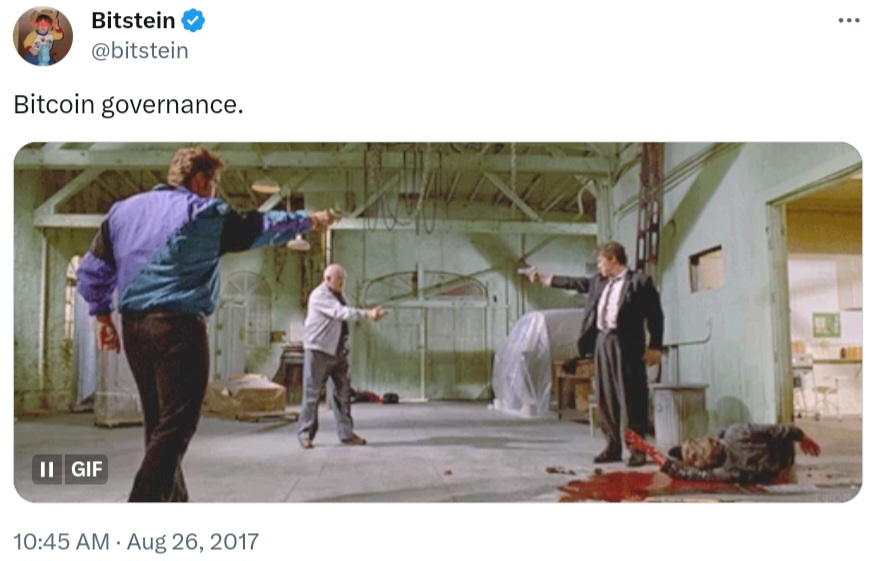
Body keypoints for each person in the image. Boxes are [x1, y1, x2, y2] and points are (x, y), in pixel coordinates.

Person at [77, 146, 338, 501]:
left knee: (159, 425)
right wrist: (307, 220)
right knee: (177, 425)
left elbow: (93, 270)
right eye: (215, 183)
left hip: (135, 330)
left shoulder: (122, 212)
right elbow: (257, 226)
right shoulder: (201, 212)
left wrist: (101, 316)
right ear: (201, 180)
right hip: (178, 330)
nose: (215, 192)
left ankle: (176, 504)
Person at [529, 241, 664, 466]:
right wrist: (545, 278)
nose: (598, 265)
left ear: (613, 259)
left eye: (601, 261)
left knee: (631, 397)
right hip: (602, 342)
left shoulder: (640, 282)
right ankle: (612, 447)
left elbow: (656, 315)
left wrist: (655, 347)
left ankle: (637, 450)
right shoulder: (599, 282)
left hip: (627, 344)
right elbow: (574, 282)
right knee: (605, 396)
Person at [297, 264, 386, 449]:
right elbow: (341, 312)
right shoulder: (320, 295)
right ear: (328, 279)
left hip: (337, 351)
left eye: (344, 279)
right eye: (339, 279)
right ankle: (305, 434)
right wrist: (368, 314)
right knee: (312, 394)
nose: (342, 283)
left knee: (343, 394)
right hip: (318, 350)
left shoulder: (339, 295)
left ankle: (346, 434)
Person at [625, 424, 822, 483]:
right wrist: (801, 436)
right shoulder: (734, 437)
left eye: (693, 447)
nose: (697, 449)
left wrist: (649, 450)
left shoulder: (726, 468)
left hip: (783, 460)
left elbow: (680, 472)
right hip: (785, 459)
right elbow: (776, 430)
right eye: (693, 455)